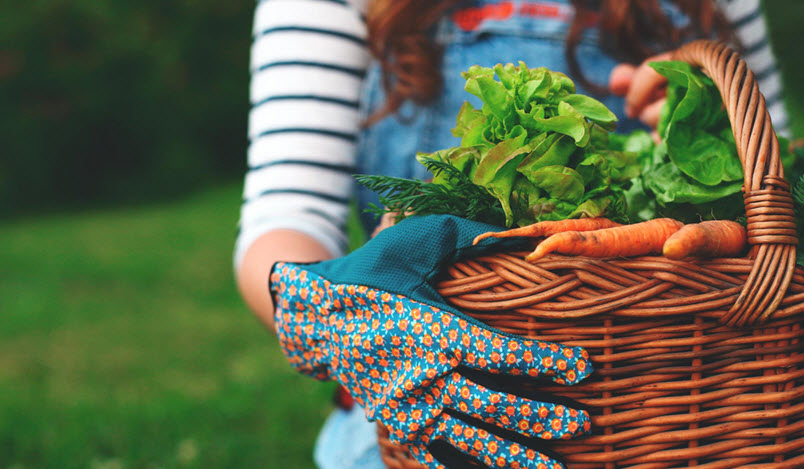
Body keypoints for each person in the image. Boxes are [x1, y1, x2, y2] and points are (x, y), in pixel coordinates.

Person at [235, 1, 790, 468]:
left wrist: (702, 125)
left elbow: (783, 189)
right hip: (425, 393)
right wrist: (330, 312)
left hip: (691, 398)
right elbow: (287, 219)